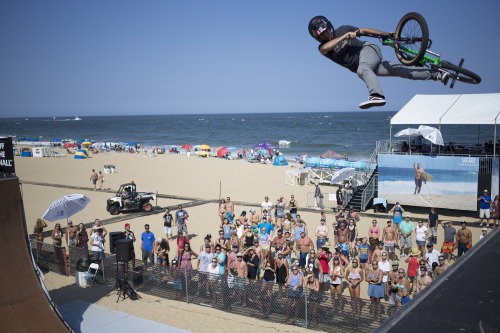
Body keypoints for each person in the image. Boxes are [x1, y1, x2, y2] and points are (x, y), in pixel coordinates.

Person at [307, 16, 446, 109]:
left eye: (325, 32)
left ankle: (376, 95)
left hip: (368, 50)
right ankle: (438, 74)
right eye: (322, 35)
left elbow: (365, 30)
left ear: (329, 26)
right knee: (401, 71)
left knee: (362, 70)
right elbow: (326, 48)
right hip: (369, 68)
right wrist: (345, 37)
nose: (325, 35)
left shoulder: (343, 28)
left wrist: (385, 34)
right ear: (317, 38)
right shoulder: (322, 47)